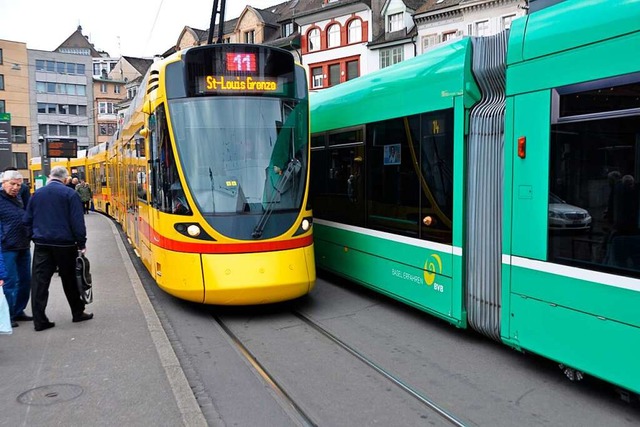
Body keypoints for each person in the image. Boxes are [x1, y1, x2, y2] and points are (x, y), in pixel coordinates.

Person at [23, 166, 92, 331]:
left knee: (40, 282)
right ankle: (77, 312)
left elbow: (27, 219)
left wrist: (33, 237)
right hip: (65, 244)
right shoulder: (70, 194)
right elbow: (77, 222)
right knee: (70, 280)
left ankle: (39, 321)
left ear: (49, 177)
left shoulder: (37, 194)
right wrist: (81, 243)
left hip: (42, 244)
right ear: (65, 179)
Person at [0, 170, 33, 328]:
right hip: (6, 247)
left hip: (23, 244)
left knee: (26, 280)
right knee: (10, 282)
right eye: (12, 184)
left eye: (18, 185)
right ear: (3, 183)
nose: (15, 188)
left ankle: (19, 310)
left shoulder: (19, 197)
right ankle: (8, 314)